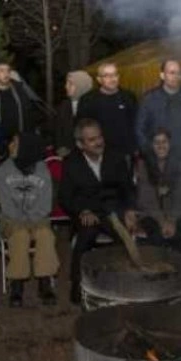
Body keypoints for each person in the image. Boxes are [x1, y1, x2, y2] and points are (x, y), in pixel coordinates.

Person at [59, 119, 137, 305]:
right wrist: (82, 210)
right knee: (86, 234)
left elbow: (128, 189)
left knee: (122, 238)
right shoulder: (71, 163)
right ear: (80, 144)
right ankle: (78, 287)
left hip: (113, 212)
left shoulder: (115, 157)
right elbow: (65, 197)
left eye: (100, 136)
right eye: (92, 139)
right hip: (88, 213)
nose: (99, 142)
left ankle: (119, 285)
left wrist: (129, 210)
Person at [0, 132, 59, 307]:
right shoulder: (4, 170)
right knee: (20, 234)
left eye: (15, 144)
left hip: (38, 218)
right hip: (11, 219)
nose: (10, 146)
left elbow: (46, 204)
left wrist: (32, 219)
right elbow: (6, 204)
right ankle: (17, 285)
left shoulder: (42, 170)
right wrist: (23, 221)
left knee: (45, 235)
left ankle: (45, 283)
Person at [135, 129, 181, 253]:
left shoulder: (180, 165)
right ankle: (157, 270)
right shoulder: (143, 165)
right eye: (156, 142)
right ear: (151, 145)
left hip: (174, 213)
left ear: (170, 144)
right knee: (157, 237)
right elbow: (146, 199)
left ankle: (174, 269)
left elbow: (180, 195)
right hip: (150, 214)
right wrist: (162, 221)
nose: (161, 146)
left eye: (164, 142)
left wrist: (172, 220)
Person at [135, 60, 181, 159]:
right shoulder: (149, 99)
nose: (175, 76)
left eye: (178, 73)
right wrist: (150, 152)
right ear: (162, 75)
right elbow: (140, 129)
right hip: (158, 160)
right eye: (171, 73)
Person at [77, 63, 138, 159]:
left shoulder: (128, 97)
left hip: (125, 153)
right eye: (106, 76)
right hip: (99, 154)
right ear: (99, 79)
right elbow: (82, 128)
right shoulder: (88, 100)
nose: (112, 79)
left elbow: (136, 124)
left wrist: (135, 149)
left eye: (114, 75)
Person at [52, 71, 93, 157]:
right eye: (66, 83)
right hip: (67, 155)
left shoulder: (93, 106)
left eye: (70, 84)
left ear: (81, 86)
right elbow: (58, 130)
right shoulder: (64, 105)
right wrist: (60, 147)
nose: (66, 86)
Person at [0, 62, 37, 139]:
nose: (6, 74)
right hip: (0, 140)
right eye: (2, 70)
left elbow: (28, 113)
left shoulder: (19, 89)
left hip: (20, 138)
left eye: (8, 70)